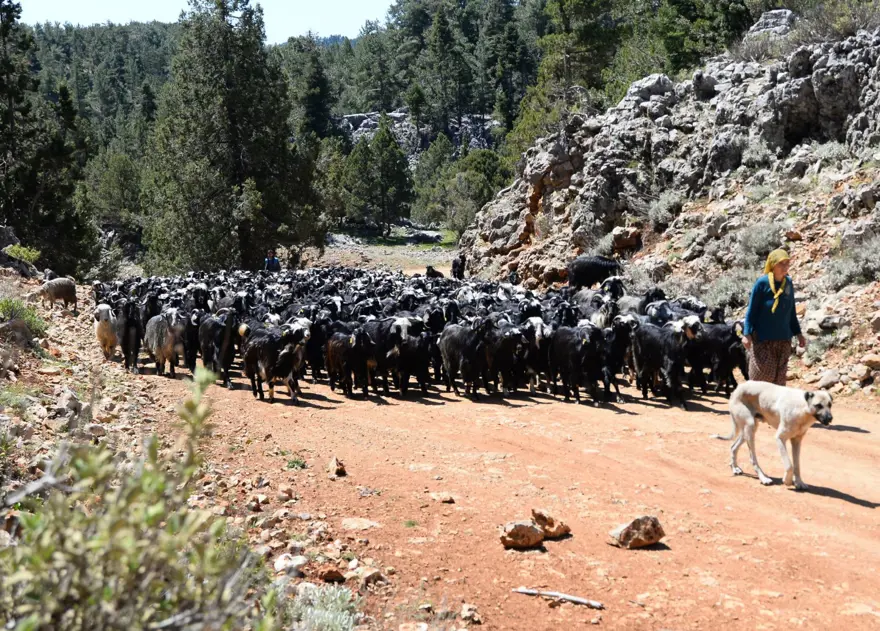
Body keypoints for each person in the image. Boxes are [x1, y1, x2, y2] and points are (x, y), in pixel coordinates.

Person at [742, 249, 807, 386]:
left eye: (787, 263)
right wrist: (746, 334)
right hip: (763, 340)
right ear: (772, 265)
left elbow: (791, 312)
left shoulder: (788, 283)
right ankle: (756, 406)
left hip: (783, 340)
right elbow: (752, 311)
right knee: (762, 379)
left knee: (779, 382)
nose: (785, 267)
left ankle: (773, 408)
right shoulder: (762, 283)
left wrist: (798, 334)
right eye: (780, 264)